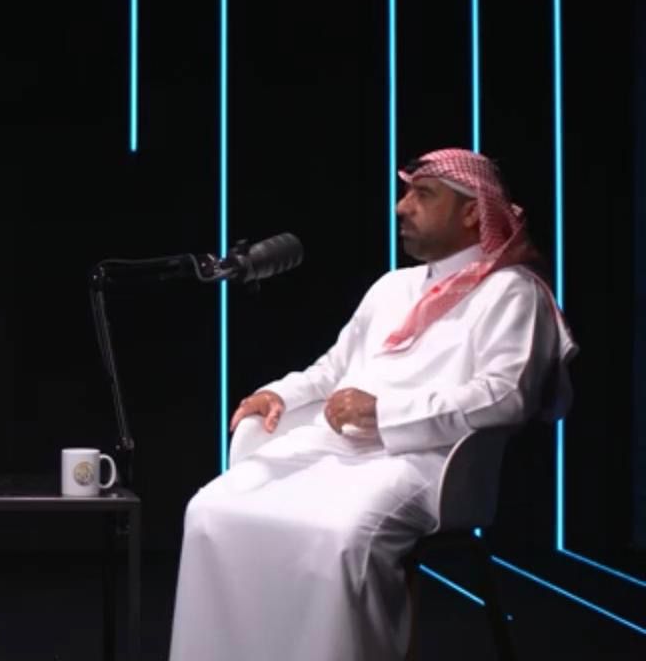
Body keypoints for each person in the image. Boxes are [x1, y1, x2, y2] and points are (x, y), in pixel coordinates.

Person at [168, 148, 576, 660]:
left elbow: (506, 396)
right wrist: (281, 393)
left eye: (423, 195)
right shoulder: (392, 287)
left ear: (473, 212)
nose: (402, 207)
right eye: (405, 194)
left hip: (425, 459)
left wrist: (382, 413)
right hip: (333, 447)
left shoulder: (513, 292)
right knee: (211, 510)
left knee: (337, 534)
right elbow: (333, 368)